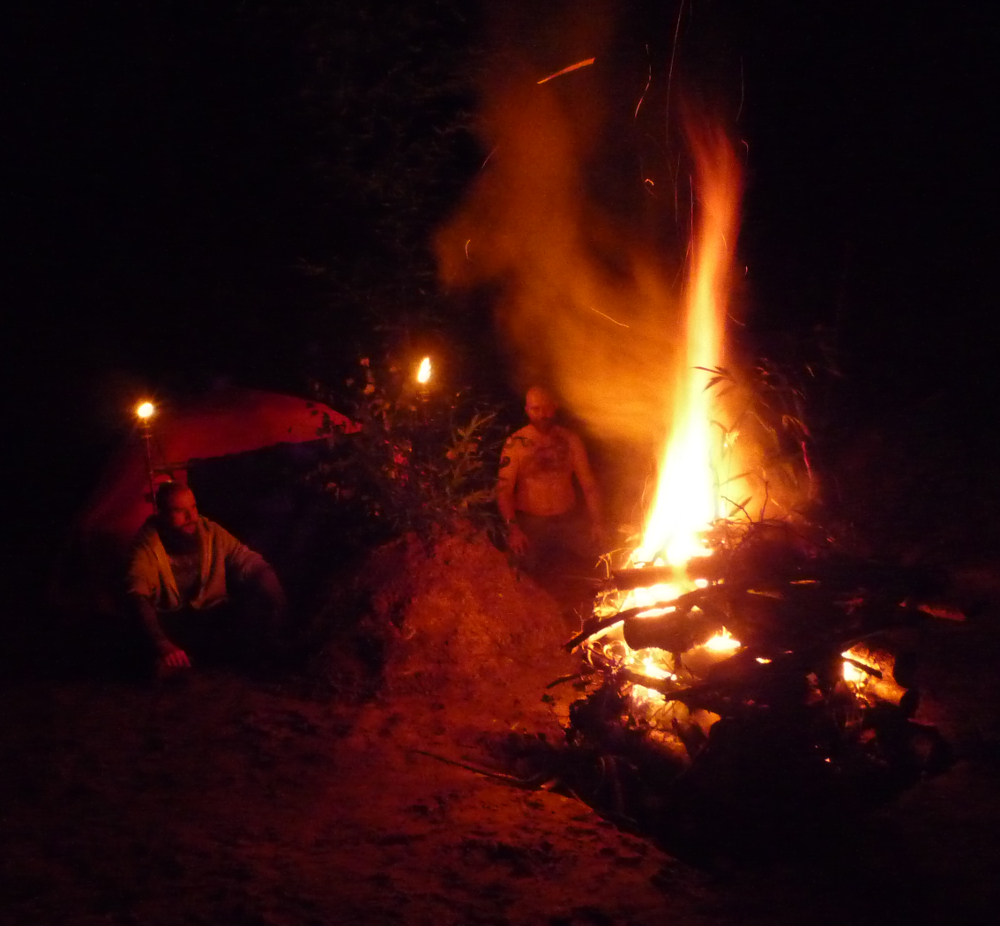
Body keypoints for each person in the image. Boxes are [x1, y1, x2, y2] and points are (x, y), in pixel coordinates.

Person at [125, 481, 287, 676]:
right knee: (136, 632)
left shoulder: (210, 532)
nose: (190, 517)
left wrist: (277, 599)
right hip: (175, 622)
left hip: (212, 616)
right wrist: (162, 643)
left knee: (251, 606)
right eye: (179, 510)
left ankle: (198, 660)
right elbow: (137, 591)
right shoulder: (148, 543)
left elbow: (248, 561)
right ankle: (176, 659)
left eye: (193, 507)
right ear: (162, 514)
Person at [497, 386, 603, 575]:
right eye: (536, 409)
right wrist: (514, 530)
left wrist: (597, 522)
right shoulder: (515, 444)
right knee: (522, 567)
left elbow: (589, 484)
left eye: (546, 408)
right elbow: (503, 490)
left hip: (567, 518)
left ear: (555, 407)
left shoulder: (570, 440)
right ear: (527, 410)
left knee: (601, 554)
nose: (542, 414)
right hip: (532, 521)